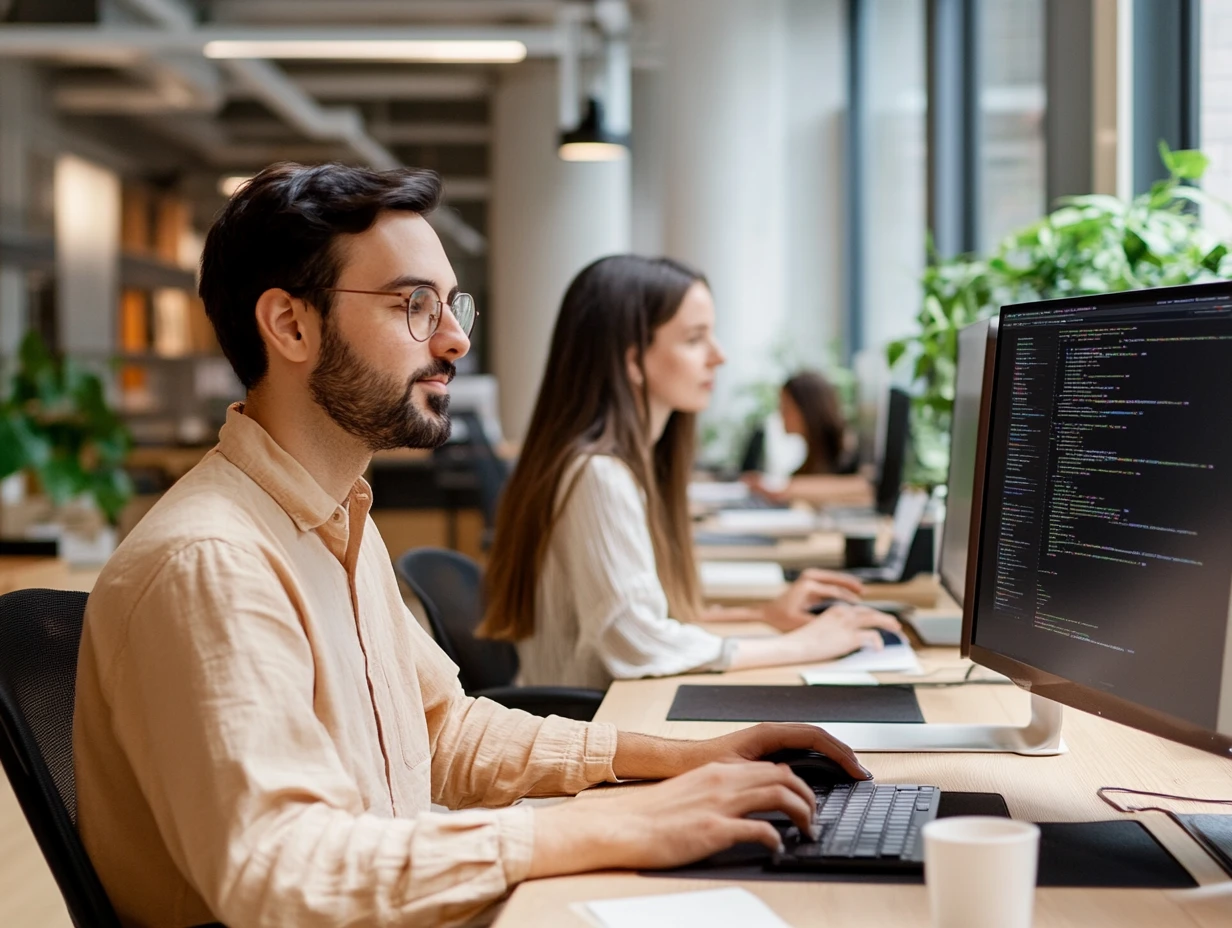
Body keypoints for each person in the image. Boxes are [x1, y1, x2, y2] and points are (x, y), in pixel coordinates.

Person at [72, 163, 873, 928]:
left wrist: (684, 759)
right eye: (414, 305)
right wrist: (618, 824)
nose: (454, 340)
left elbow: (441, 732)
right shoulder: (212, 562)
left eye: (454, 305)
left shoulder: (335, 521)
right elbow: (287, 871)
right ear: (290, 324)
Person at [480, 255, 899, 690]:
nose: (719, 356)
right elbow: (636, 643)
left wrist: (761, 616)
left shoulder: (616, 466)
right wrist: (802, 646)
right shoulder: (598, 476)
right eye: (696, 339)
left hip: (611, 711)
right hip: (598, 727)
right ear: (634, 360)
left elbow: (644, 620)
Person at [780, 370, 855, 476]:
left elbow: (866, 485)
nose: (781, 415)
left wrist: (779, 491)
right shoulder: (807, 468)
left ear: (808, 408)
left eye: (786, 407)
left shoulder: (848, 454)